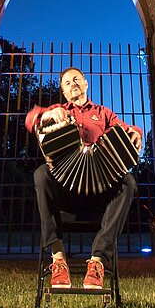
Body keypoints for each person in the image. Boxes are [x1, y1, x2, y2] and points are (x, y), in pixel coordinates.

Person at [26, 66, 143, 290]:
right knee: (41, 174)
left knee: (128, 182)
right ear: (63, 91)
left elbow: (126, 129)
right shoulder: (58, 110)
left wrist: (136, 131)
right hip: (65, 194)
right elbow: (31, 119)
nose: (73, 84)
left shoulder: (103, 113)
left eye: (76, 79)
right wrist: (47, 114)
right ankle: (58, 259)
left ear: (86, 83)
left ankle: (98, 260)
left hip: (100, 193)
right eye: (67, 83)